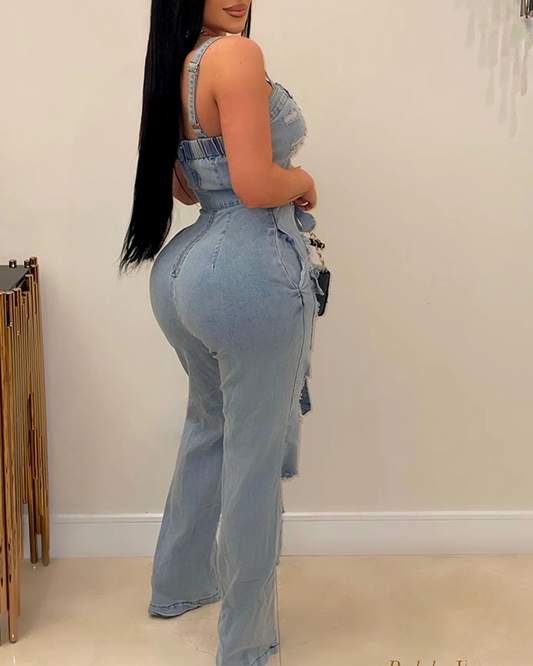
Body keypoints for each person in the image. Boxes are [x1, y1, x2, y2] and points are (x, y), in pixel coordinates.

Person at [117, 2, 323, 664]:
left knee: (210, 425)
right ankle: (246, 640)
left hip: (184, 271)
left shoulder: (177, 64)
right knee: (252, 453)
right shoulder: (235, 55)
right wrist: (303, 179)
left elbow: (185, 188)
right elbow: (256, 184)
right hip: (248, 272)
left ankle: (178, 584)